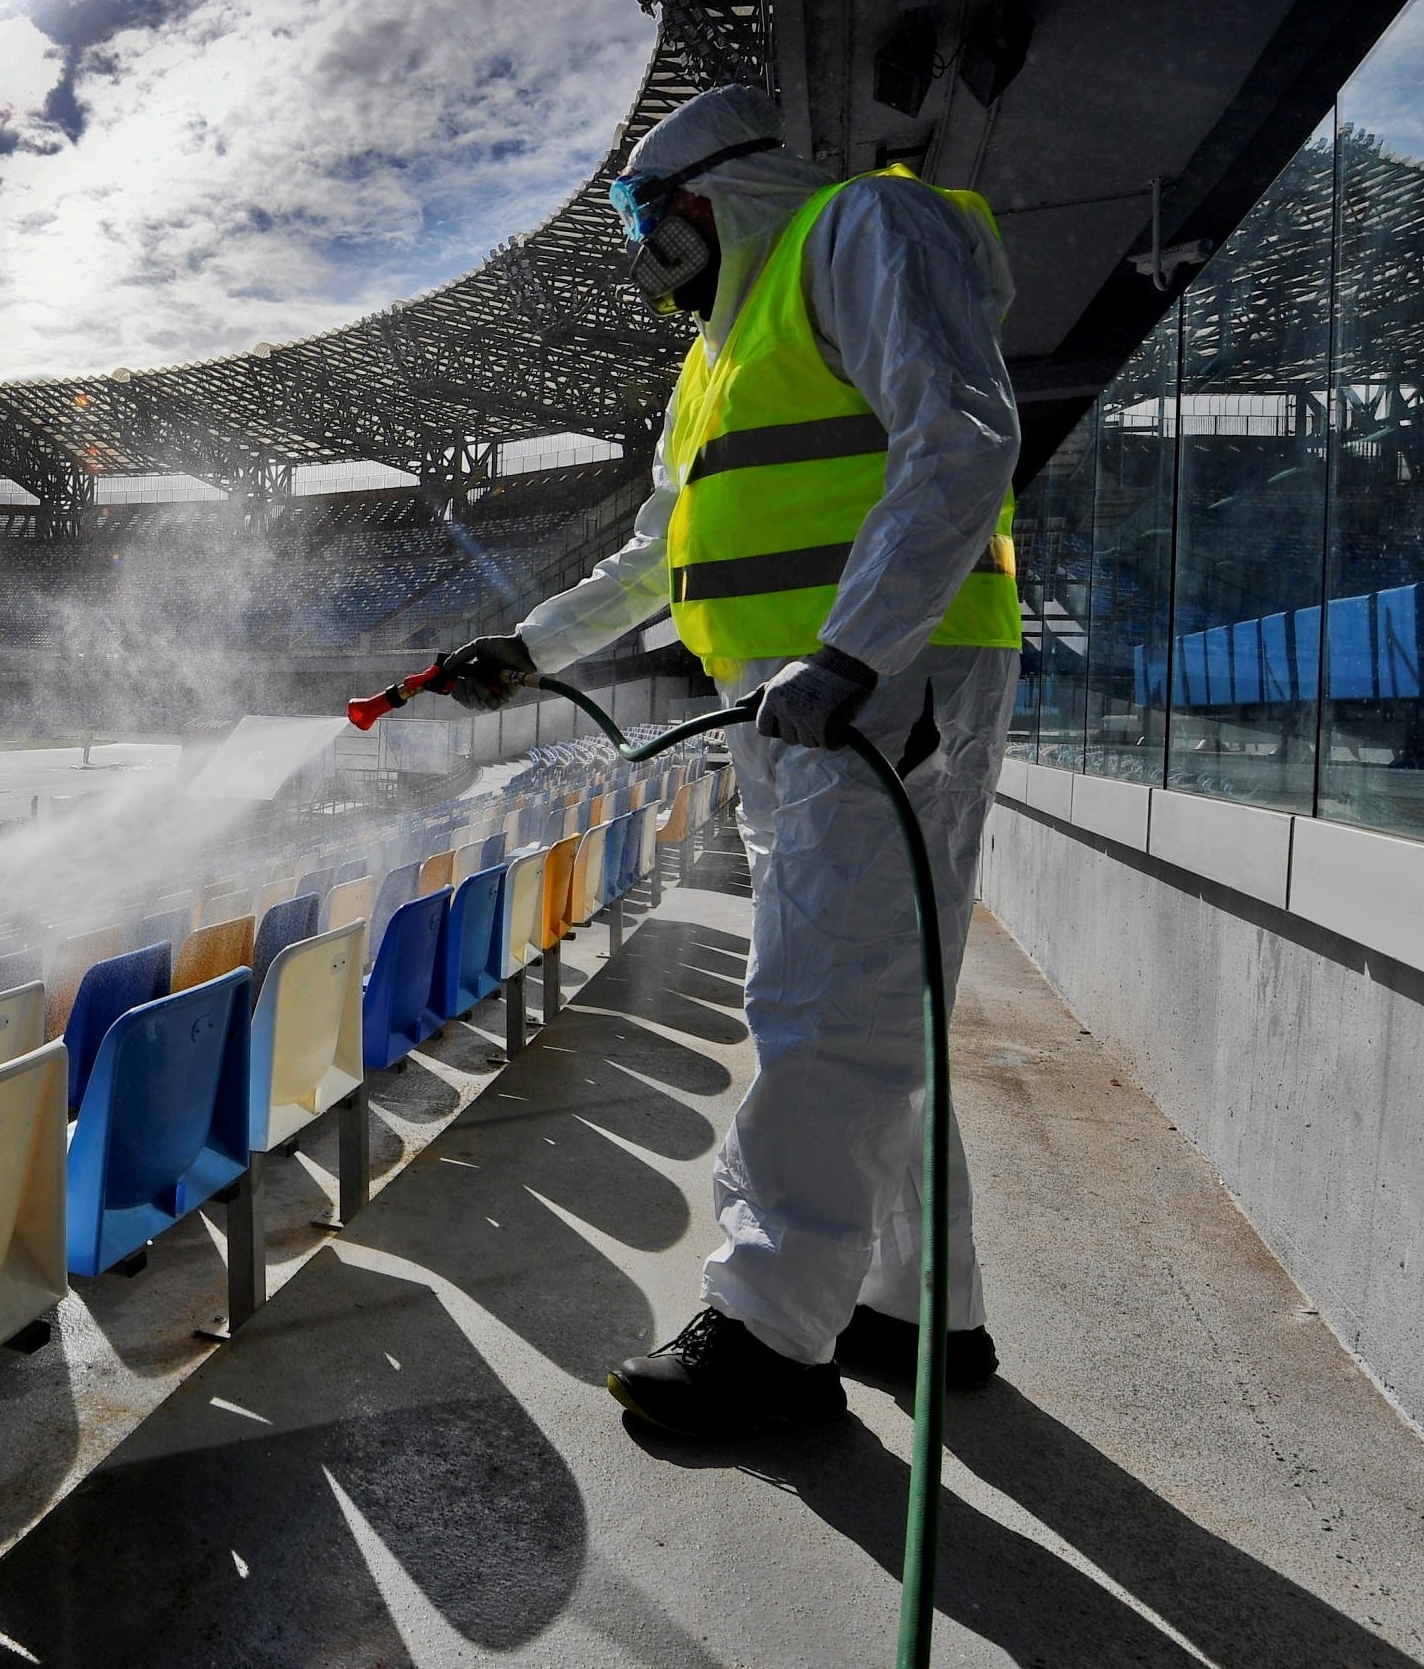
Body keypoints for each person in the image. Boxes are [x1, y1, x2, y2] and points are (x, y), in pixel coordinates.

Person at [436, 82, 1022, 1439]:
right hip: (808, 690)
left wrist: (857, 653)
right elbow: (658, 553)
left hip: (876, 678)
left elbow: (961, 435)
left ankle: (768, 1336)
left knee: (817, 1002)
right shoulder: (714, 362)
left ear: (703, 200)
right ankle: (918, 1307)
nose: (645, 249)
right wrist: (535, 648)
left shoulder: (859, 227)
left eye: (647, 218)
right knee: (877, 1009)